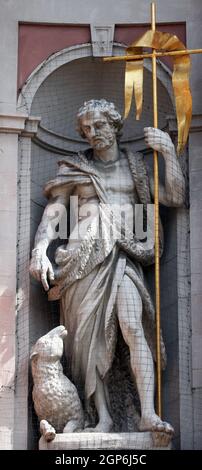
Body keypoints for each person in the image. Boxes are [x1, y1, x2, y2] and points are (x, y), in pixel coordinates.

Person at [30, 99, 185, 434]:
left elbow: (174, 197)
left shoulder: (136, 169)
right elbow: (54, 213)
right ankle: (102, 418)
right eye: (86, 129)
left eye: (99, 125)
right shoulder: (75, 169)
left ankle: (148, 413)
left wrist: (168, 152)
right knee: (85, 342)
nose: (92, 133)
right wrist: (39, 250)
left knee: (133, 326)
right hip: (82, 262)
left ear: (115, 126)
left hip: (124, 255)